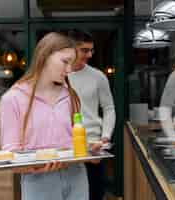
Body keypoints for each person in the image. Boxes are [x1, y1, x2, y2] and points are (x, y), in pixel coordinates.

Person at [0, 32, 89, 200]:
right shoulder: (12, 99)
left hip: (77, 176)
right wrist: (36, 167)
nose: (69, 70)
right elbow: (10, 155)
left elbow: (75, 138)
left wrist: (88, 147)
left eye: (71, 64)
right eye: (65, 62)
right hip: (39, 182)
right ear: (45, 56)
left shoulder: (71, 96)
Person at [67, 29, 116, 200]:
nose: (90, 54)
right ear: (71, 49)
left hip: (92, 148)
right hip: (66, 148)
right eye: (85, 50)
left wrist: (105, 137)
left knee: (94, 194)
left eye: (91, 50)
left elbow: (109, 108)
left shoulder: (98, 76)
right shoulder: (58, 75)